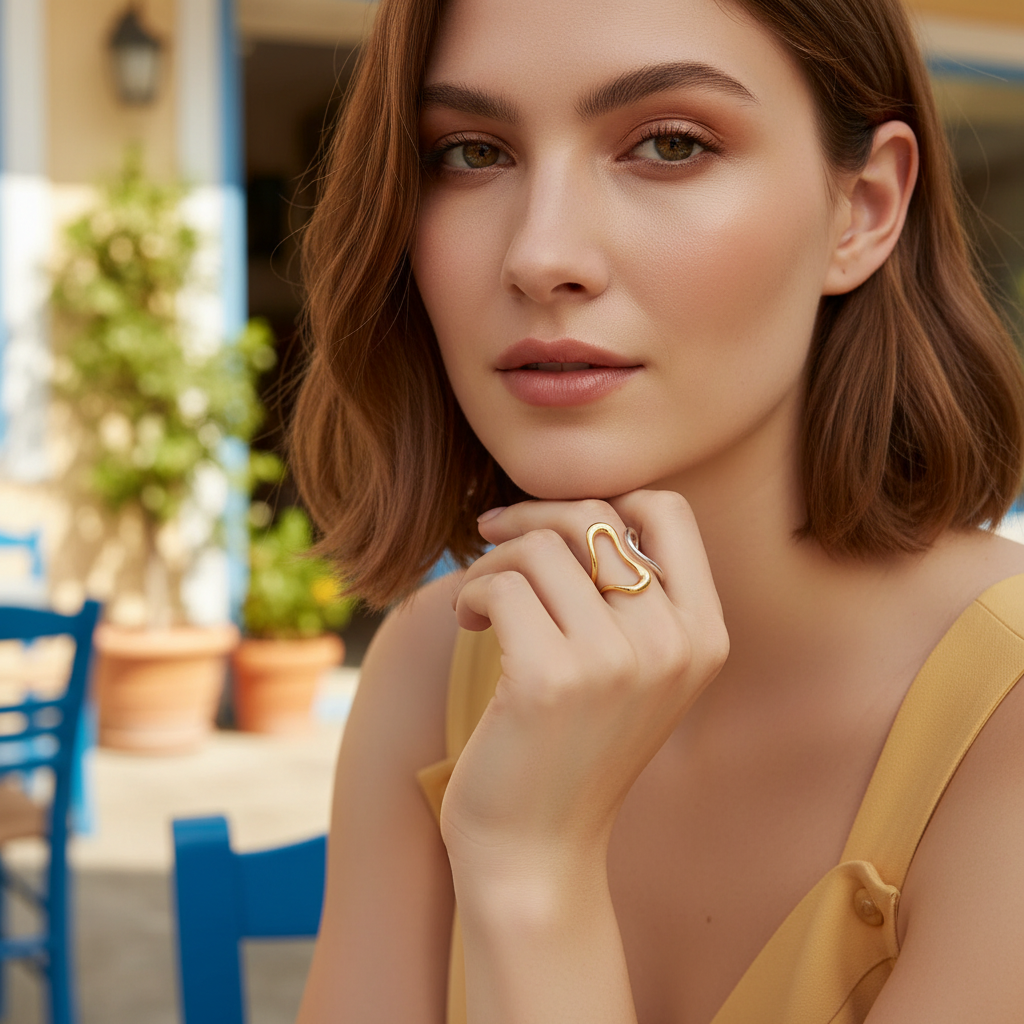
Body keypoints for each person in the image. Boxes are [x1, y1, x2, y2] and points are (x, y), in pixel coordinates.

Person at [291, 0, 1024, 1020]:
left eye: (670, 144)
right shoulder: (433, 659)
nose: (541, 254)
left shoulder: (1003, 713)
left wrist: (531, 871)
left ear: (861, 209)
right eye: (470, 151)